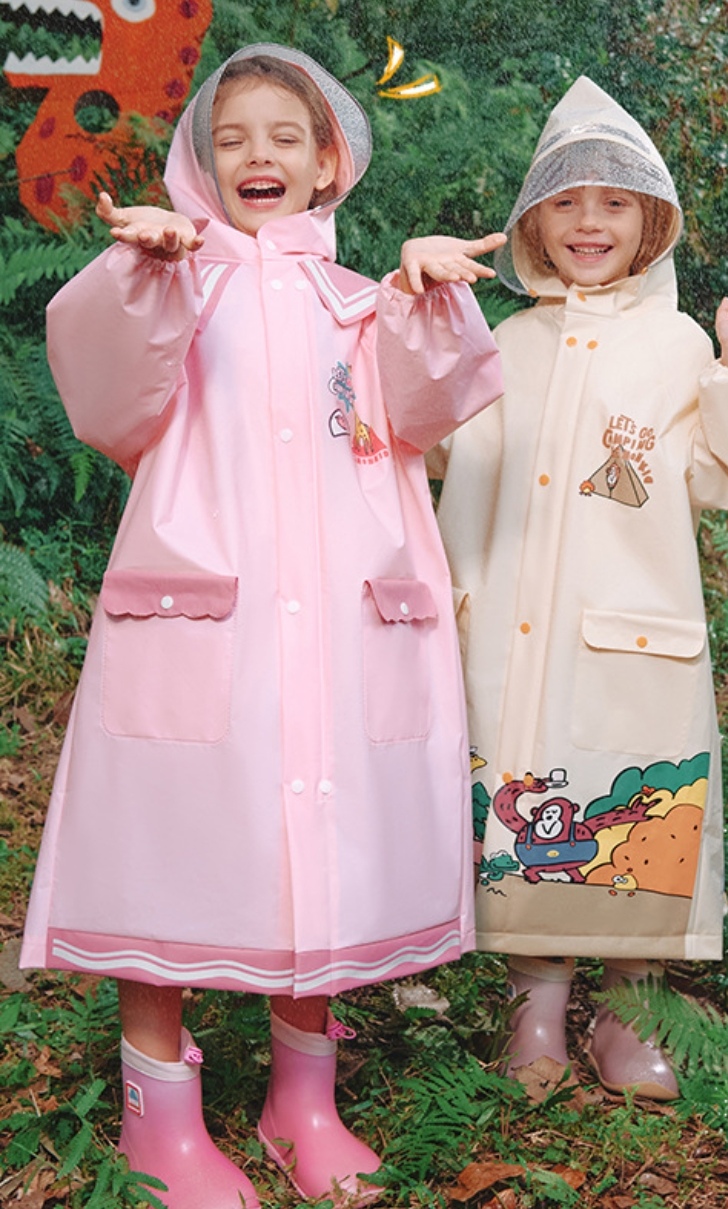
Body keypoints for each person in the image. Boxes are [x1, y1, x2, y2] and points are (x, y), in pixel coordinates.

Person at [20, 44, 503, 1207]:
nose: (259, 157)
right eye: (231, 138)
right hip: (201, 622)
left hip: (339, 630)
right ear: (199, 164)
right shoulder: (172, 282)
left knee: (318, 843)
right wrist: (141, 274)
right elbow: (105, 402)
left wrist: (428, 295)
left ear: (331, 160)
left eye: (285, 137)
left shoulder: (361, 305)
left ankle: (303, 1101)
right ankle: (158, 1121)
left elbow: (433, 404)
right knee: (166, 842)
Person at [430, 76, 728, 1100]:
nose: (588, 221)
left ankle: (628, 1014)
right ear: (531, 224)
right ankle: (536, 1012)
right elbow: (433, 449)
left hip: (636, 638)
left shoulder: (676, 345)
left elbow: (718, 484)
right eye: (564, 200)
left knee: (636, 815)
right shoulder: (502, 347)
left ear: (652, 222)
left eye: (614, 201)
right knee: (527, 812)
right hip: (513, 628)